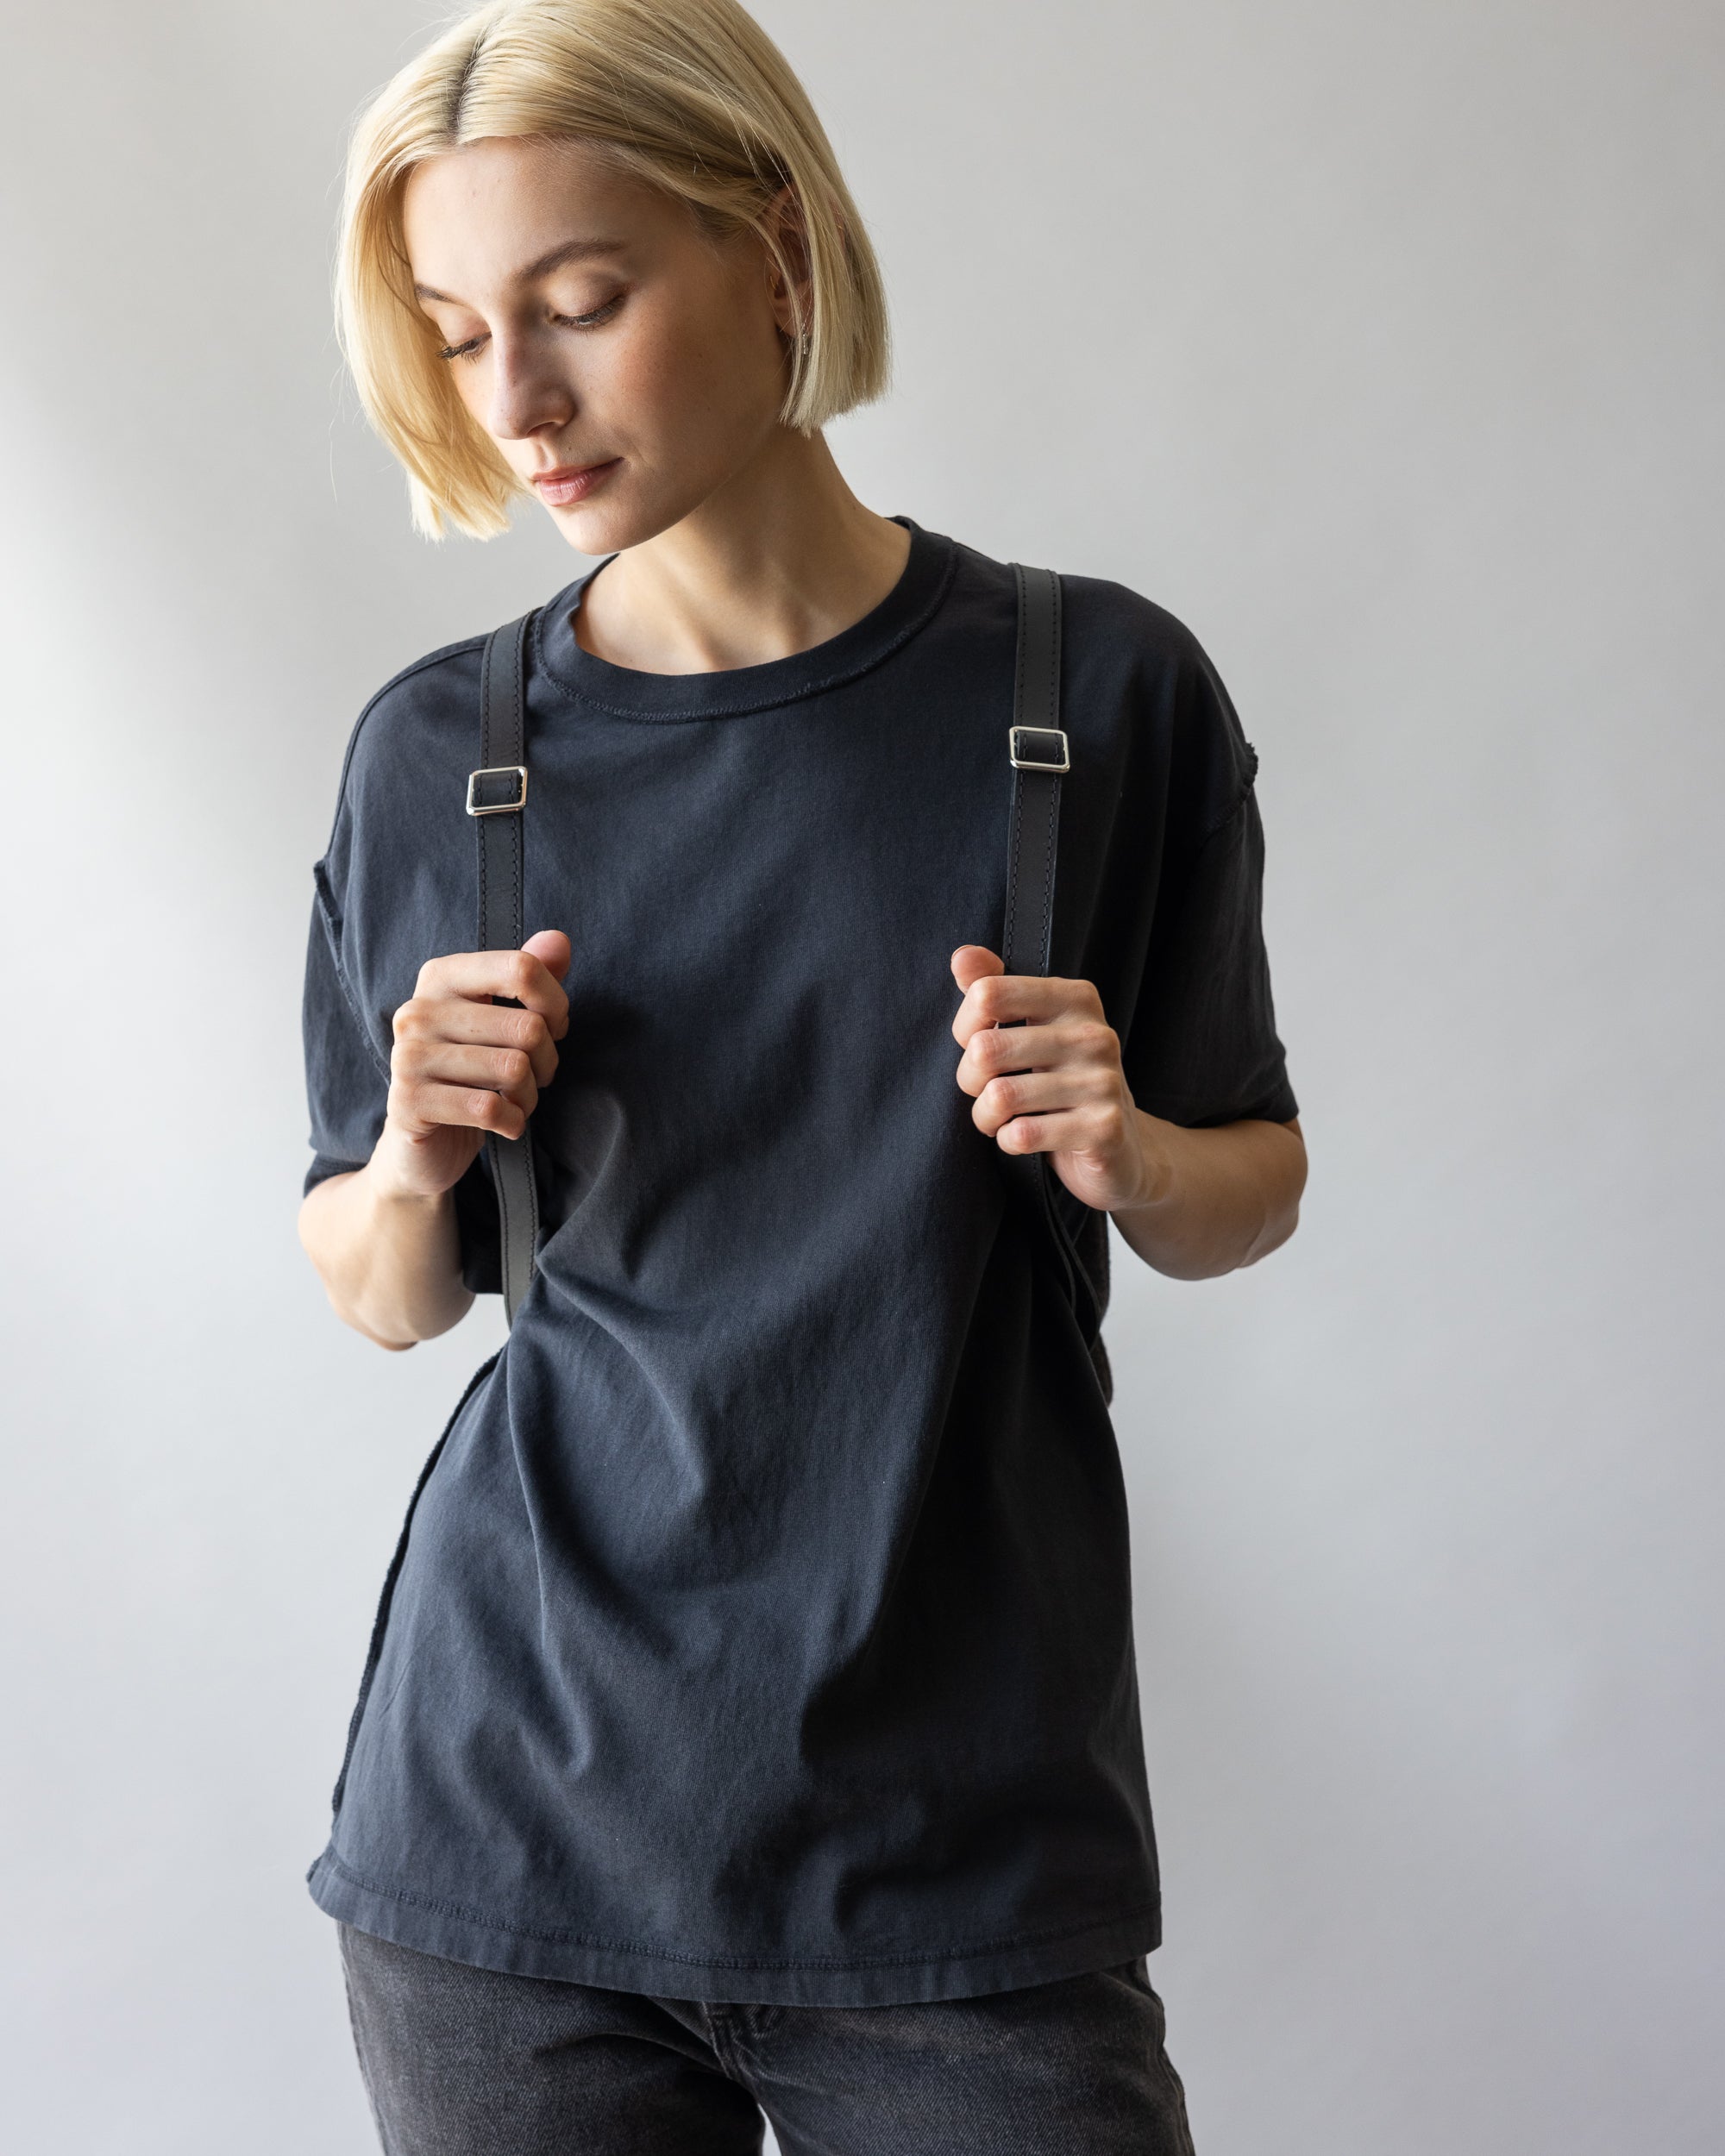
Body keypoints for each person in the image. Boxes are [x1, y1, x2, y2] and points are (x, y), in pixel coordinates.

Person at [296, 1, 1306, 2147]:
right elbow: (386, 1283)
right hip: (508, 1848)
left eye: (581, 301)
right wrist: (412, 1152)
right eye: (465, 332)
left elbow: (1253, 1184)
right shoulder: (440, 756)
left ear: (774, 253)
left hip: (961, 1875)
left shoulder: (1092, 694)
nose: (522, 398)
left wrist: (1126, 1143)